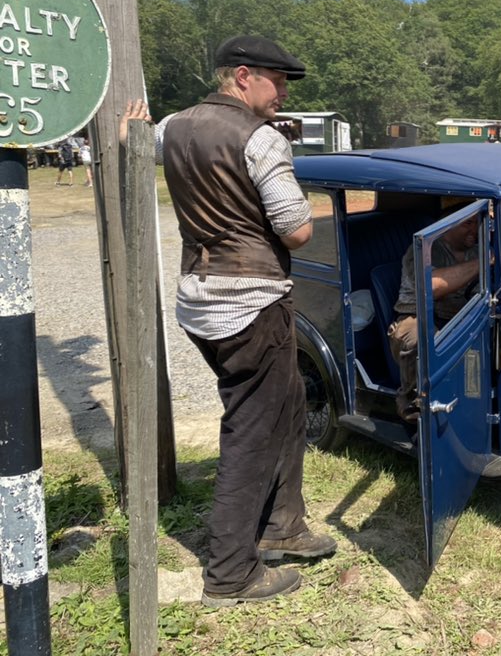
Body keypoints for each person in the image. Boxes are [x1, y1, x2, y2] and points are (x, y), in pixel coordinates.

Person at [125, 35, 336, 608]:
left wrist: (129, 129)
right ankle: (230, 573)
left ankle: (283, 527)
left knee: (289, 403)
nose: (284, 92)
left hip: (199, 298)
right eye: (278, 80)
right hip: (251, 302)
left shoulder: (174, 126)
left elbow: (137, 144)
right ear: (243, 76)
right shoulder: (261, 139)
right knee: (252, 429)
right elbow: (297, 230)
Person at [388, 199, 501, 422]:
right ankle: (416, 413)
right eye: (467, 224)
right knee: (421, 339)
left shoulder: (478, 248)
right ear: (447, 224)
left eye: (478, 223)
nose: (474, 230)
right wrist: (485, 261)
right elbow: (431, 286)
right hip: (418, 316)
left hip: (462, 316)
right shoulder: (424, 249)